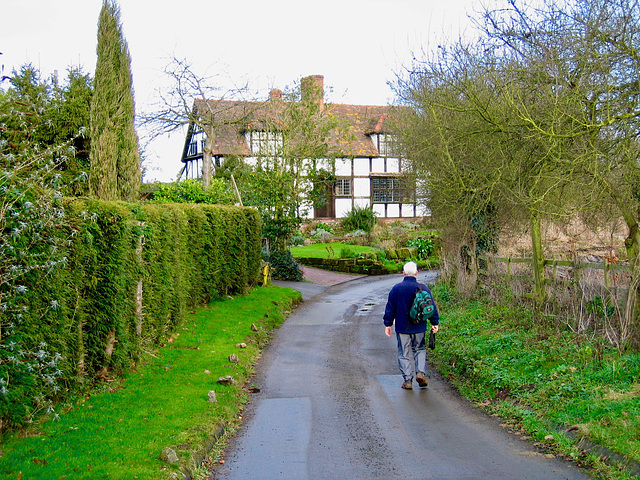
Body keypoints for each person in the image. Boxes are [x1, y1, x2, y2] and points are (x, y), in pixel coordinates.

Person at [383, 261, 439, 389]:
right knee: (419, 349)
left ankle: (407, 380)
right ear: (416, 273)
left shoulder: (396, 289)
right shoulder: (423, 288)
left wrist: (388, 324)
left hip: (402, 327)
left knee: (403, 352)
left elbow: (390, 308)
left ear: (403, 273)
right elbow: (431, 307)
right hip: (419, 326)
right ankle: (420, 372)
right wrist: (434, 323)